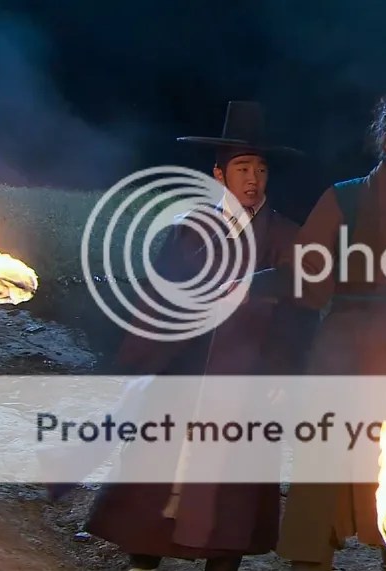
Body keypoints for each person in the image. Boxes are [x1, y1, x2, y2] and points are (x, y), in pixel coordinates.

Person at [248, 94, 386, 571]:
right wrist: (249, 285)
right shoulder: (344, 199)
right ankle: (311, 561)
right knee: (323, 468)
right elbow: (305, 274)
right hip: (343, 354)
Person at [82, 101, 304, 571]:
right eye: (242, 168)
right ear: (219, 175)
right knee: (153, 488)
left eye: (261, 169)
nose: (253, 179)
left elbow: (299, 307)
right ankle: (143, 561)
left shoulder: (286, 237)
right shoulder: (189, 230)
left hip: (246, 382)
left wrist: (282, 370)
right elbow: (158, 299)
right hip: (183, 374)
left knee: (232, 501)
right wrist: (143, 361)